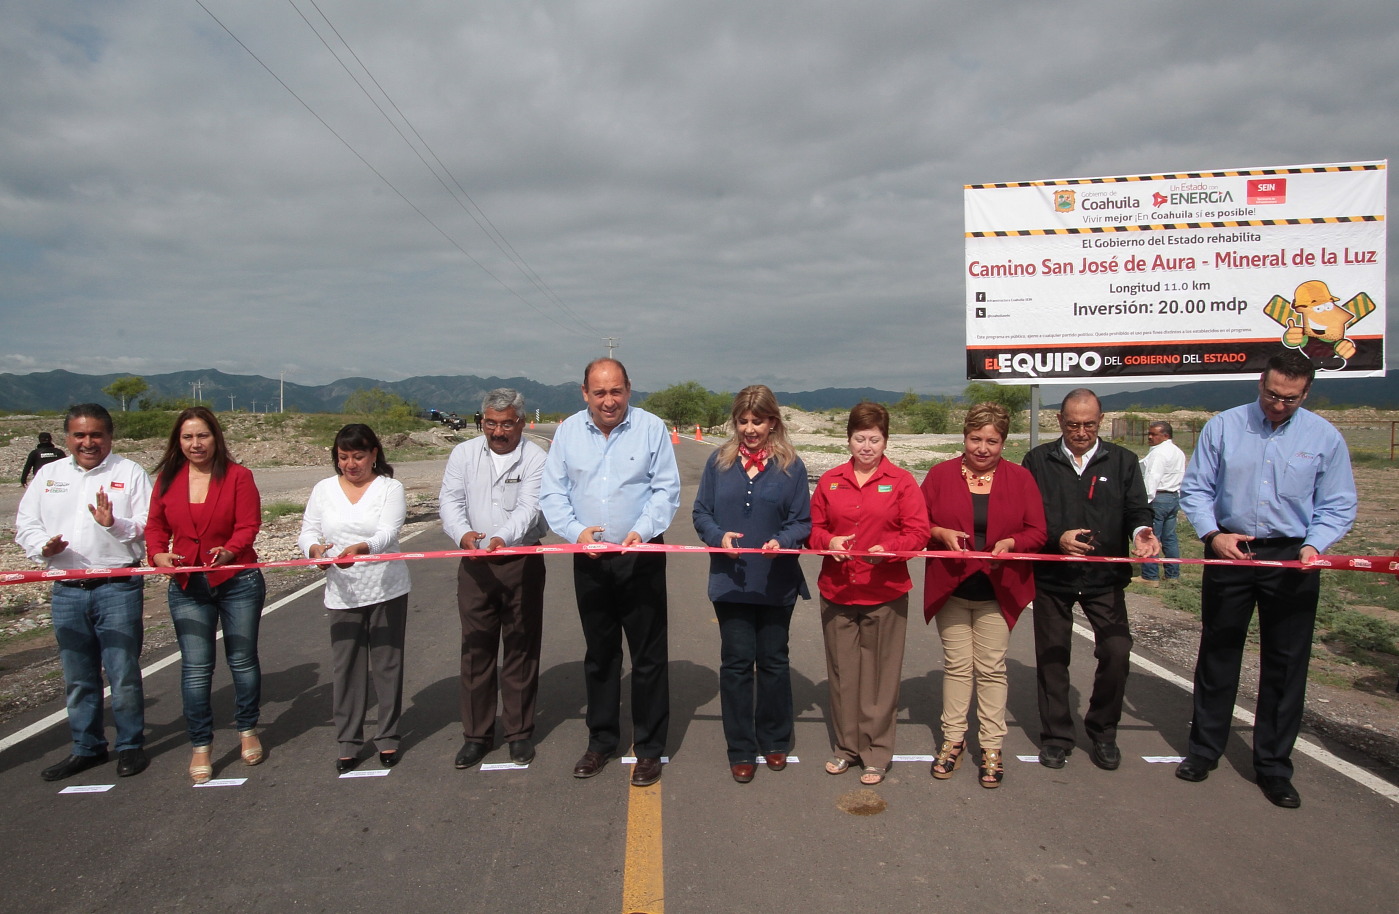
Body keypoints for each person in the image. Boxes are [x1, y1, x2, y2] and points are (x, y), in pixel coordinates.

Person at [1175, 351, 1356, 808]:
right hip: (1230, 548)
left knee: (1286, 661)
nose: (1278, 405)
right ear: (1260, 383)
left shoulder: (1324, 437)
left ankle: (1273, 766)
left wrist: (1315, 545)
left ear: (1306, 393)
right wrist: (1212, 535)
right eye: (1272, 395)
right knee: (1219, 650)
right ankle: (1204, 751)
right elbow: (1196, 489)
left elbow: (1337, 503)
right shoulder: (1224, 426)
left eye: (1290, 399)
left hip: (1293, 556)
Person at [540, 358, 680, 787]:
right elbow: (553, 492)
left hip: (641, 556)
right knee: (600, 655)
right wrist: (576, 532)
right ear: (584, 393)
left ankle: (650, 748)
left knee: (648, 657)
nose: (608, 401)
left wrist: (640, 531)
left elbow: (665, 489)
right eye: (599, 392)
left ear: (629, 390)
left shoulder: (651, 428)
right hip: (591, 559)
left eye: (615, 391)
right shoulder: (566, 432)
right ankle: (600, 741)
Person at [1022, 389, 1158, 772]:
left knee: (1116, 651)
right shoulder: (1037, 460)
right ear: (1059, 421)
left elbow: (1137, 509)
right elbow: (1027, 516)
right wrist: (1055, 539)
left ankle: (1103, 731)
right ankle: (1056, 737)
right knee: (1052, 659)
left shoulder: (1123, 461)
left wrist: (1142, 531)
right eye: (1072, 424)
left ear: (1100, 420)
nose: (1080, 432)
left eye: (1089, 424)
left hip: (1104, 577)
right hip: (1053, 576)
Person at [15, 404, 153, 781]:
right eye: (80, 435)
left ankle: (129, 746)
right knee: (78, 675)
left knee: (122, 672)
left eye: (96, 435)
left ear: (110, 437)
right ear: (67, 438)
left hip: (117, 585)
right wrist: (43, 545)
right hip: (67, 588)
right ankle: (87, 747)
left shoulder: (130, 472)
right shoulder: (49, 474)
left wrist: (115, 524)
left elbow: (148, 527)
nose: (88, 442)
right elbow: (26, 522)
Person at [921, 403, 1046, 788]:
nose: (982, 448)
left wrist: (1013, 541)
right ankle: (952, 740)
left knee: (991, 669)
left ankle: (992, 746)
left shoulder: (1021, 478)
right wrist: (939, 533)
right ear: (964, 437)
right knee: (958, 667)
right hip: (953, 587)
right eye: (975, 439)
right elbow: (916, 522)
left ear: (1003, 442)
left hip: (998, 589)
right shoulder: (940, 475)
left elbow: (1038, 532)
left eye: (992, 441)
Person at [692, 385, 811, 784]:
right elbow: (702, 512)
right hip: (731, 582)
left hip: (777, 582)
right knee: (738, 664)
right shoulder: (718, 463)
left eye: (757, 421)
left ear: (772, 421)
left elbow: (801, 521)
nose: (749, 429)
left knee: (774, 662)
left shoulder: (791, 467)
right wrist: (717, 536)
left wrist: (787, 540)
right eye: (742, 421)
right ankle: (741, 748)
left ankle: (775, 740)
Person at [809, 402, 930, 786]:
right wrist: (830, 540)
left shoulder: (903, 482)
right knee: (844, 675)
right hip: (839, 591)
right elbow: (812, 530)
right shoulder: (829, 481)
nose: (866, 446)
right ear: (848, 439)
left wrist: (891, 549)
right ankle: (846, 747)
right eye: (859, 438)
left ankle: (876, 751)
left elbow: (918, 532)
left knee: (880, 676)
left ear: (885, 441)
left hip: (885, 593)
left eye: (874, 439)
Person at [146, 406, 266, 785]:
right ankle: (201, 744)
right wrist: (158, 554)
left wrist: (231, 549)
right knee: (196, 669)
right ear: (177, 442)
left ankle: (247, 729)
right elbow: (154, 527)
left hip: (237, 581)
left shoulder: (238, 477)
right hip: (187, 586)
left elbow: (249, 524)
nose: (195, 444)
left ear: (216, 437)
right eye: (187, 437)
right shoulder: (167, 479)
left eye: (202, 436)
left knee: (242, 660)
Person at [439, 389, 548, 770]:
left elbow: (531, 507)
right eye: (490, 423)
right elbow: (450, 502)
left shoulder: (536, 457)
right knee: (476, 650)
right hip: (474, 563)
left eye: (506, 423)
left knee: (520, 646)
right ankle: (477, 735)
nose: (498, 431)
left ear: (520, 422)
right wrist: (463, 534)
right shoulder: (463, 455)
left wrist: (504, 537)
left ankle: (519, 733)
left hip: (520, 559)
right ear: (481, 421)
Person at [299, 424, 411, 774]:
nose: (351, 464)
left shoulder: (390, 488)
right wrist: (314, 549)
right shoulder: (323, 489)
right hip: (342, 590)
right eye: (343, 457)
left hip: (385, 587)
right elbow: (308, 530)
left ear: (374, 454)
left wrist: (364, 548)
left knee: (386, 663)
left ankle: (387, 735)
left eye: (358, 456)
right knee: (346, 666)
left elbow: (389, 532)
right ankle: (348, 739)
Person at [1135, 420, 1187, 586]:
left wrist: (1145, 502)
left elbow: (1152, 478)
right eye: (1149, 434)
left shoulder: (1159, 453)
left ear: (1165, 435)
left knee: (1150, 537)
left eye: (1154, 434)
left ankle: (1150, 576)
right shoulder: (1177, 452)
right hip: (1172, 497)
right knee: (1169, 538)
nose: (1150, 437)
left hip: (1158, 498)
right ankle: (1173, 574)